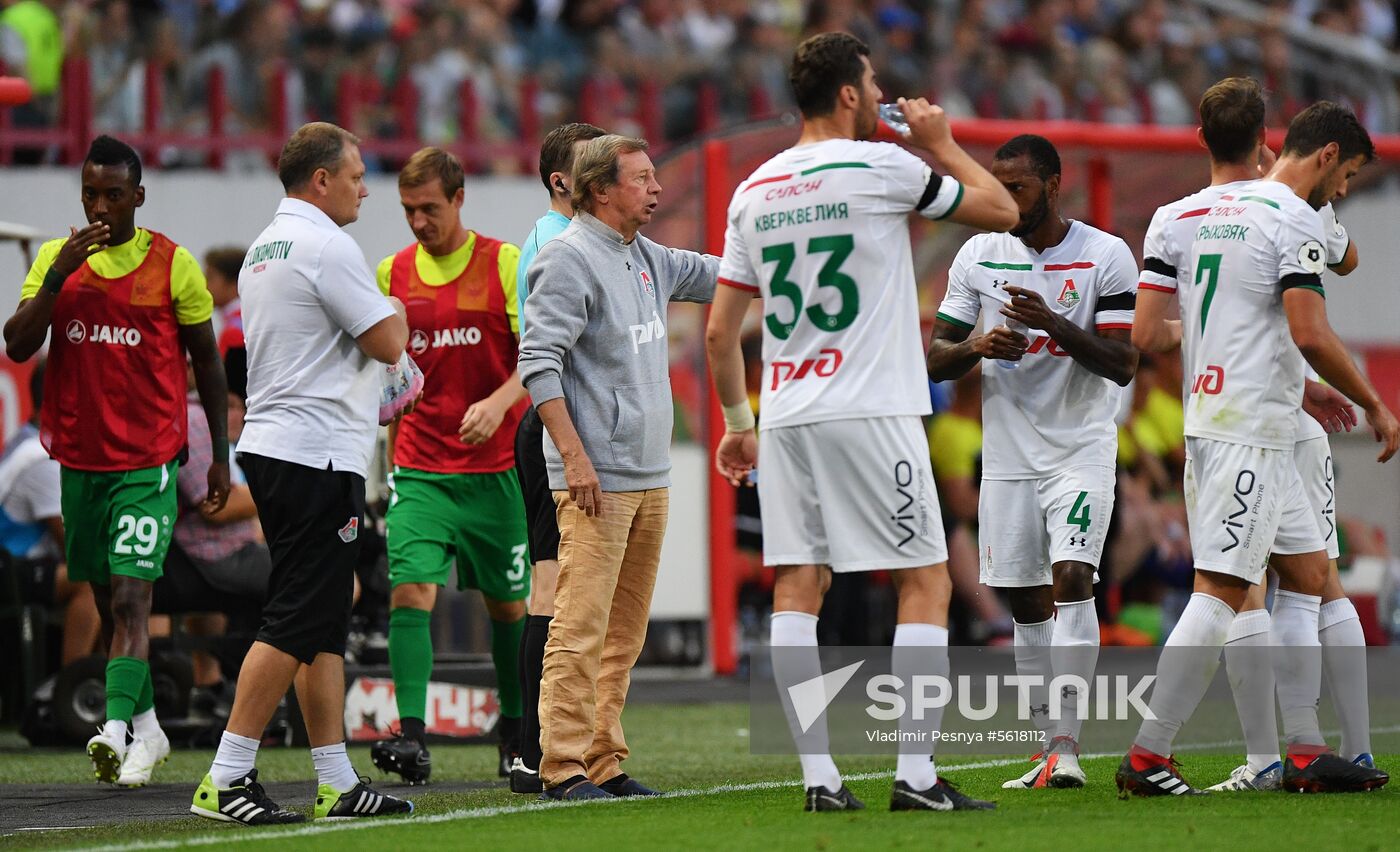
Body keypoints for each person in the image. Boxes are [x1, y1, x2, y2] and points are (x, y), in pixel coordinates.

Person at [705, 32, 1017, 813]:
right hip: (871, 407)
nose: (881, 96)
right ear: (848, 93)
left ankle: (820, 781)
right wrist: (944, 141)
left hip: (787, 414)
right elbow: (1002, 209)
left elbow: (718, 333)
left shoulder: (754, 189)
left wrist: (739, 421)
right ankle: (914, 777)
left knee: (797, 585)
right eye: (873, 83)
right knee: (926, 579)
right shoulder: (885, 165)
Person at [1115, 101, 1397, 797]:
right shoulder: (1291, 217)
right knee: (1224, 588)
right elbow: (1309, 331)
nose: (1343, 189)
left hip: (1217, 417)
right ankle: (1149, 753)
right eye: (1349, 175)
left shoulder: (1174, 218)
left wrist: (1253, 359)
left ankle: (1302, 752)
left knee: (1309, 576)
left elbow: (1149, 335)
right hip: (1251, 431)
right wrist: (1374, 400)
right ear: (1310, 151)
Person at [190, 122, 413, 825]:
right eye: (355, 174)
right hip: (316, 452)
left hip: (278, 445)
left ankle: (335, 779)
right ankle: (226, 777)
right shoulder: (327, 244)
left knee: (320, 614)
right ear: (321, 180)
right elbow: (388, 340)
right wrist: (399, 311)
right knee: (296, 616)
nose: (364, 187)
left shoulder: (266, 245)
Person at [3, 135, 229, 788]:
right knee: (108, 604)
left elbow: (208, 364)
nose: (99, 207)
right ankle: (151, 730)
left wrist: (215, 455)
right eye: (89, 195)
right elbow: (18, 346)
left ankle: (113, 729)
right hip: (79, 460)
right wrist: (55, 278)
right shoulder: (56, 259)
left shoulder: (173, 265)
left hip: (148, 460)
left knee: (133, 598)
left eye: (112, 195)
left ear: (138, 197)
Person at [926, 134, 1139, 789]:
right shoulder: (978, 254)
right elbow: (932, 355)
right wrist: (978, 345)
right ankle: (1048, 748)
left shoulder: (1105, 255)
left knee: (1073, 575)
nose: (1005, 197)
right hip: (1009, 457)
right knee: (1023, 602)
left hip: (1080, 449)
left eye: (1017, 186)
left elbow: (1123, 362)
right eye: (999, 184)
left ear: (1053, 184)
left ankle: (1069, 748)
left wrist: (1054, 324)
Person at [518, 133, 719, 801]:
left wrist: (781, 245)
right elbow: (538, 365)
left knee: (621, 635)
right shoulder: (567, 259)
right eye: (643, 178)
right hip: (596, 477)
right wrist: (574, 458)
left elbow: (721, 274)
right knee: (578, 626)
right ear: (601, 190)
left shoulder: (647, 255)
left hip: (647, 473)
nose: (657, 189)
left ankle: (602, 759)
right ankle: (561, 767)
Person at [368, 146, 531, 785]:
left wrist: (499, 400)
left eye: (429, 208)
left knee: (509, 608)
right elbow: (379, 366)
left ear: (459, 198)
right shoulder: (390, 274)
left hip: (498, 472)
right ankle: (411, 736)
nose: (417, 222)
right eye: (408, 210)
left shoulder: (506, 264)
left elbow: (541, 354)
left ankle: (515, 732)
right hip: (421, 467)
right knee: (411, 590)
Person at [510, 120, 607, 794]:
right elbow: (545, 355)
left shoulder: (576, 239)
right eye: (591, 166)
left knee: (564, 587)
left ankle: (542, 747)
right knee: (552, 587)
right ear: (561, 181)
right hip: (555, 428)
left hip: (565, 425)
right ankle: (530, 749)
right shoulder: (557, 241)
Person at [0, 358, 101, 666]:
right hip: (10, 572)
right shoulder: (41, 457)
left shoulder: (28, 439)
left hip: (19, 567)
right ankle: (72, 691)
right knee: (92, 576)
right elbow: (74, 548)